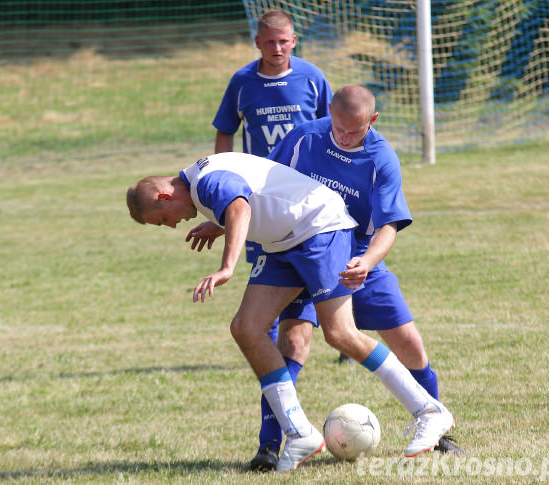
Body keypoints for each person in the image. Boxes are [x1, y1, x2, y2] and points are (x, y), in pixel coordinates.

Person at [126, 152, 455, 473]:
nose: (171, 225)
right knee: (246, 327)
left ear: (164, 196)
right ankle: (300, 433)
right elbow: (256, 195)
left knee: (339, 333)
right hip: (283, 242)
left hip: (319, 229)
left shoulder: (206, 181)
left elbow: (239, 207)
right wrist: (219, 223)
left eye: (163, 220)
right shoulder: (201, 181)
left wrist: (227, 267)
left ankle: (428, 410)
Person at [252, 84, 466, 466]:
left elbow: (389, 225)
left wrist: (366, 263)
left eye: (355, 131)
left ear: (373, 121)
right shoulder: (305, 137)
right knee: (293, 342)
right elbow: (264, 183)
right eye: (339, 127)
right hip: (301, 253)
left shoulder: (381, 158)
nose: (345, 137)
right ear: (329, 110)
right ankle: (269, 445)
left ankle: (437, 431)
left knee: (411, 346)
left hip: (356, 259)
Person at [212, 11, 333, 470]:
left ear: (294, 41)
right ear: (256, 41)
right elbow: (224, 130)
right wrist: (223, 183)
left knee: (295, 336)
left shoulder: (313, 78)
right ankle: (276, 438)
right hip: (259, 214)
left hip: (307, 210)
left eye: (285, 42)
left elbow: (331, 132)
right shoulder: (242, 83)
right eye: (270, 43)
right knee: (264, 330)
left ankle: (272, 439)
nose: (278, 49)